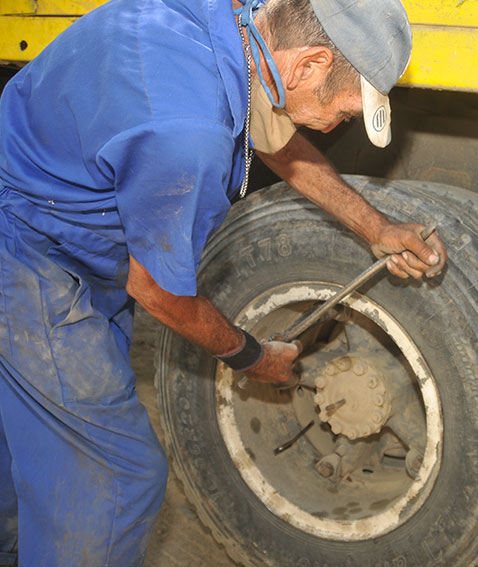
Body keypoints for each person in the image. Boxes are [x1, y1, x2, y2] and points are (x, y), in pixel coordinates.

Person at [0, 0, 447, 564]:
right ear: (309, 63)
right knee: (114, 480)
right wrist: (249, 356)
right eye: (348, 109)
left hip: (56, 214)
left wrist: (375, 226)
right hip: (28, 253)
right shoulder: (184, 132)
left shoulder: (241, 28)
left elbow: (271, 132)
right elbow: (158, 291)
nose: (343, 123)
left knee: (28, 437)